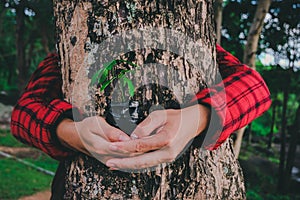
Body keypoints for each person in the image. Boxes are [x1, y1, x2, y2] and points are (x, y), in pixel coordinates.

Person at [10, 44, 271, 194]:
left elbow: (256, 88)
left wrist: (199, 117)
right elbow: (23, 112)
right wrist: (68, 131)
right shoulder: (68, 47)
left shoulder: (194, 43)